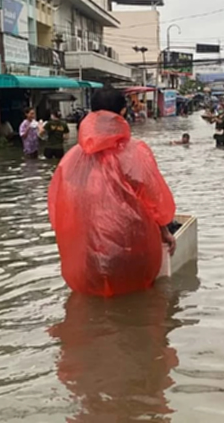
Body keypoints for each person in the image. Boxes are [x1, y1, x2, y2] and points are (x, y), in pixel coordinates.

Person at [48, 86, 177, 297]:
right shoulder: (136, 152)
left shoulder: (72, 158)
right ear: (123, 112)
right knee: (138, 302)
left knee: (92, 304)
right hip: (132, 246)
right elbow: (153, 197)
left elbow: (60, 207)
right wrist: (165, 232)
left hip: (89, 251)